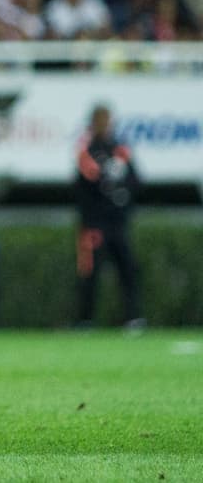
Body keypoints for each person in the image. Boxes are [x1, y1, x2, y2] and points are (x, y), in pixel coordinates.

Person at [75, 104, 143, 329]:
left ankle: (132, 317)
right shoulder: (87, 150)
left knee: (128, 269)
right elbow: (86, 184)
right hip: (95, 225)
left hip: (117, 222)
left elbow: (135, 180)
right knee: (90, 272)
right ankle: (86, 319)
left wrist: (123, 197)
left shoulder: (120, 150)